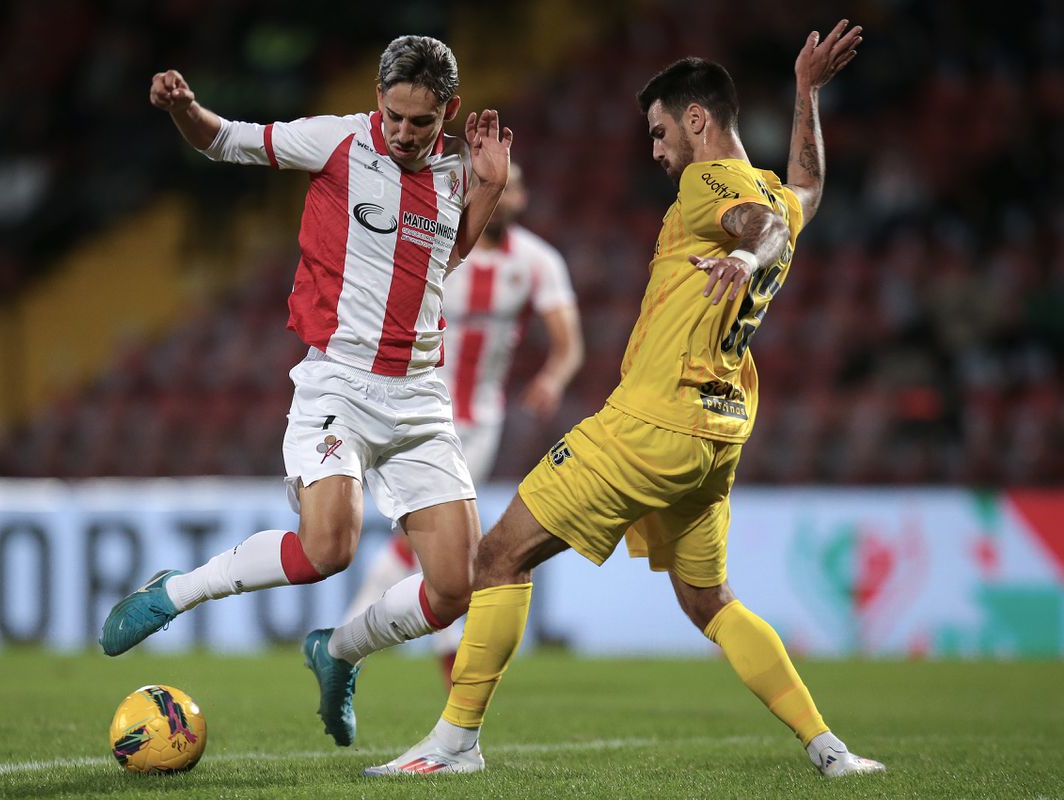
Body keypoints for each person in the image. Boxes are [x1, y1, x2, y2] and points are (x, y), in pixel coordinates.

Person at [364, 21, 885, 779]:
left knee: (499, 555)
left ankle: (454, 746)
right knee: (708, 600)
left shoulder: (711, 185)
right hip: (721, 429)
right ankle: (829, 749)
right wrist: (807, 92)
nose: (655, 147)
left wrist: (745, 250)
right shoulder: (770, 185)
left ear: (697, 120)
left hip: (650, 421)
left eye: (660, 129)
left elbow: (763, 225)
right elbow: (803, 189)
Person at [99, 35, 513, 750]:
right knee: (330, 548)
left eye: (421, 121)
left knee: (454, 588)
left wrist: (487, 189)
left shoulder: (454, 168)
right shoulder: (336, 142)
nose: (405, 134)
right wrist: (185, 108)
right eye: (394, 116)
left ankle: (339, 652)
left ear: (449, 111)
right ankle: (175, 592)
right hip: (340, 384)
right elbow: (223, 141)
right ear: (378, 101)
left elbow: (443, 257)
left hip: (418, 397)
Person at [341, 162, 584, 687]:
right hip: (417, 409)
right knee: (431, 542)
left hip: (479, 422)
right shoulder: (438, 246)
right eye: (502, 186)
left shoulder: (538, 261)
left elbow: (568, 345)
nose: (509, 196)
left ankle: (352, 644)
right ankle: (352, 644)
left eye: (517, 188)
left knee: (432, 542)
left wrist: (553, 378)